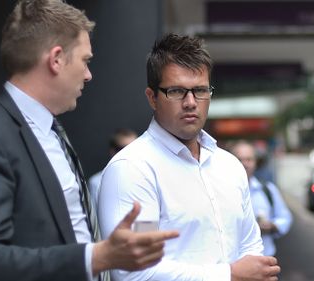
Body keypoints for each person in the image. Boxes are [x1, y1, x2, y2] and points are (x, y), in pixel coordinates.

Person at [0, 1, 179, 281]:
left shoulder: (50, 129)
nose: (89, 74)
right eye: (85, 60)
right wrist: (98, 256)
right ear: (56, 59)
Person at [98, 33, 281, 281]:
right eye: (176, 91)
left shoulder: (229, 166)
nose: (191, 102)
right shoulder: (132, 169)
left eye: (200, 90)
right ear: (152, 98)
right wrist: (228, 275)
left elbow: (251, 247)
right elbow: (134, 273)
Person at [231, 140, 293, 257]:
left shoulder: (268, 189)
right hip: (235, 263)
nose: (245, 164)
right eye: (240, 160)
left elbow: (285, 217)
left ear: (256, 162)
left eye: (249, 159)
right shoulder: (221, 192)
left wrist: (273, 226)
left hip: (265, 257)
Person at [88, 128, 137, 208]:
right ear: (112, 151)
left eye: (134, 148)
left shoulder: (148, 177)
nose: (129, 153)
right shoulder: (97, 182)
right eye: (123, 148)